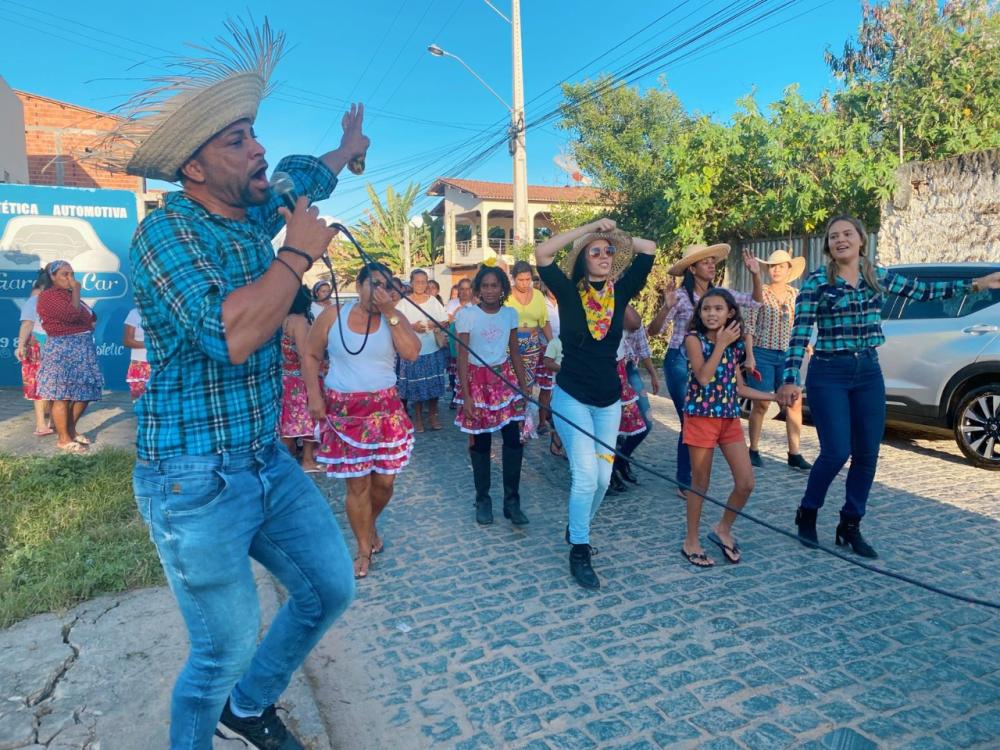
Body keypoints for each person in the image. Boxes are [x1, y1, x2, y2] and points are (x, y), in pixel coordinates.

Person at [105, 20, 366, 748]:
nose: (256, 148)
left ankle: (247, 709)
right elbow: (232, 336)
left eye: (253, 131)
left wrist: (346, 150)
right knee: (221, 646)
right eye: (236, 139)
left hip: (264, 459)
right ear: (192, 168)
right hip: (192, 479)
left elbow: (300, 172)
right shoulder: (166, 235)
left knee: (329, 588)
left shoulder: (256, 205)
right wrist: (295, 259)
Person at [777, 215, 1000, 559]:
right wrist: (791, 377)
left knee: (867, 453)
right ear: (828, 245)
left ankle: (850, 525)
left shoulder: (877, 277)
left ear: (861, 240)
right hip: (829, 372)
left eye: (847, 234)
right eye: (833, 236)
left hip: (868, 371)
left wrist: (978, 284)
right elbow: (800, 331)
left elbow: (925, 292)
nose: (840, 240)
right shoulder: (817, 282)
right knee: (836, 451)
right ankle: (808, 511)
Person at [536, 218, 657, 590]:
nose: (604, 256)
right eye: (596, 252)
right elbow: (542, 254)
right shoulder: (568, 292)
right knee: (586, 476)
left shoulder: (621, 294)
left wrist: (613, 236)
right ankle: (580, 548)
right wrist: (589, 229)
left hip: (608, 402)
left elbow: (648, 247)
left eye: (608, 252)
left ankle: (577, 529)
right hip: (571, 397)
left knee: (603, 479)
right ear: (583, 260)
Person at [305, 263, 420, 578]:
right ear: (358, 286)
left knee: (384, 482)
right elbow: (311, 354)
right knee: (357, 486)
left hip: (385, 411)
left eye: (385, 284)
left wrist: (390, 313)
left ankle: (368, 526)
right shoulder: (333, 316)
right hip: (345, 414)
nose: (379, 290)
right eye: (373, 283)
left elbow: (411, 352)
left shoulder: (394, 317)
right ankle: (362, 548)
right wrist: (314, 397)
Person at [648, 244, 763, 497]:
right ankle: (685, 480)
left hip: (718, 359)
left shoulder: (721, 295)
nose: (712, 265)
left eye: (713, 261)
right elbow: (653, 331)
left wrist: (755, 274)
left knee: (702, 417)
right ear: (692, 268)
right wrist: (666, 307)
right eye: (705, 262)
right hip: (680, 359)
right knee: (688, 417)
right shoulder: (679, 296)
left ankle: (693, 477)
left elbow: (755, 301)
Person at [681, 289, 776, 567]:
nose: (711, 313)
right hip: (701, 418)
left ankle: (722, 528)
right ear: (699, 314)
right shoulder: (693, 340)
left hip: (729, 419)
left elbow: (741, 387)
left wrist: (774, 396)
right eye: (706, 309)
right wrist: (721, 343)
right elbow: (704, 376)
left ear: (730, 313)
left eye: (718, 309)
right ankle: (691, 541)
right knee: (700, 484)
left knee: (746, 482)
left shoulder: (734, 346)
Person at [455, 265, 531, 525]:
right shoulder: (467, 316)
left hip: (504, 381)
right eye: (485, 286)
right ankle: (483, 500)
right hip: (476, 384)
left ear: (502, 289)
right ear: (478, 289)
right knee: (481, 444)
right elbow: (462, 357)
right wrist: (465, 395)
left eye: (494, 285)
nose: (489, 290)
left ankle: (512, 502)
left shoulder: (509, 314)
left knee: (513, 441)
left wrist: (524, 386)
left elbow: (514, 351)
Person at [744, 249, 812, 471]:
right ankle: (753, 449)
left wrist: (806, 344)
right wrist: (750, 355)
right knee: (762, 403)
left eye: (781, 266)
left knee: (794, 401)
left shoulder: (796, 294)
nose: (776, 270)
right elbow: (749, 325)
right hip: (762, 352)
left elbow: (799, 323)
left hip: (788, 355)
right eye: (772, 266)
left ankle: (794, 453)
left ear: (789, 269)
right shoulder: (760, 292)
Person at [36, 260, 102, 452]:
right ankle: (63, 439)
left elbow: (90, 316)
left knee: (86, 391)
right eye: (65, 274)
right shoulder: (48, 296)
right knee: (62, 395)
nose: (70, 279)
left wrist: (88, 323)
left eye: (72, 274)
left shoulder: (69, 295)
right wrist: (76, 290)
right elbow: (72, 315)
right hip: (62, 349)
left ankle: (70, 429)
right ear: (52, 277)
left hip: (82, 347)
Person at [396, 268, 449, 431]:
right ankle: (418, 418)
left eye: (423, 282)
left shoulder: (433, 301)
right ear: (411, 283)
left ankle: (433, 416)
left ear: (427, 283)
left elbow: (445, 320)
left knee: (434, 385)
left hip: (432, 349)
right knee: (416, 388)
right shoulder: (404, 303)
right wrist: (412, 326)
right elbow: (394, 322)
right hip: (413, 351)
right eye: (417, 281)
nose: (420, 284)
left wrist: (434, 324)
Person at [613, 305, 659, 485]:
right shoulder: (599, 316)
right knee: (613, 427)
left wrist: (654, 375)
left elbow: (643, 348)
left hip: (629, 369)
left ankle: (622, 458)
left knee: (645, 423)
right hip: (606, 371)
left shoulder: (632, 317)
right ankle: (609, 473)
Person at [507, 260, 553, 437]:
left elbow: (545, 323)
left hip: (532, 344)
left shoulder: (539, 296)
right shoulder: (507, 296)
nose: (524, 283)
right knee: (512, 383)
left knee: (527, 386)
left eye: (528, 279)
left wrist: (552, 344)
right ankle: (512, 421)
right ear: (513, 279)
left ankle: (523, 423)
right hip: (510, 344)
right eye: (520, 279)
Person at [279, 287, 321, 472]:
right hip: (299, 379)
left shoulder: (279, 320)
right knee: (306, 420)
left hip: (283, 377)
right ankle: (307, 460)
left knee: (286, 422)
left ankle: (284, 464)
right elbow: (305, 355)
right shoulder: (299, 322)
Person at [15, 273, 52, 436]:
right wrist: (21, 345)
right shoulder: (36, 301)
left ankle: (46, 423)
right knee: (43, 386)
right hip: (40, 345)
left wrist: (21, 345)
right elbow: (28, 323)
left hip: (50, 345)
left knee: (47, 386)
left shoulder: (38, 300)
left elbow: (27, 323)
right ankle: (43, 423)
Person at [123, 306, 150, 401]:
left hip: (163, 363)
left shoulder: (165, 311)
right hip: (140, 363)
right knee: (139, 402)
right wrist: (150, 344)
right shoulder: (134, 313)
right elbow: (127, 341)